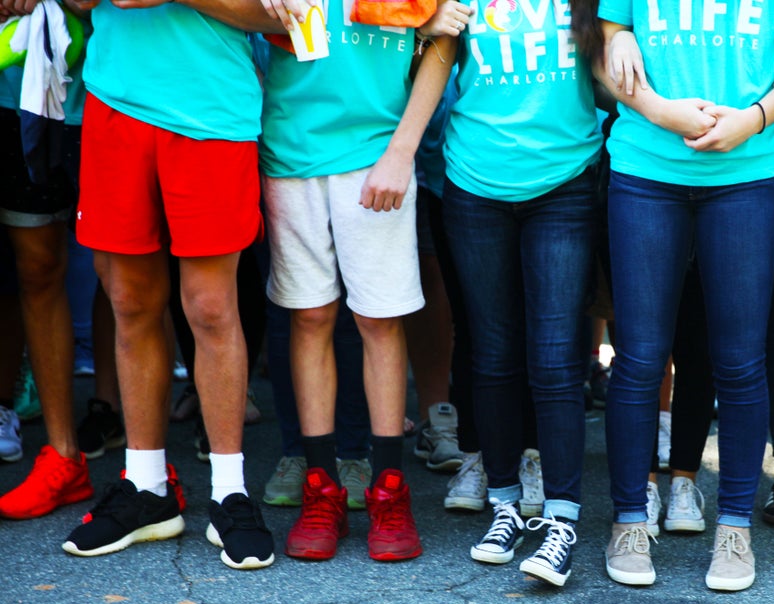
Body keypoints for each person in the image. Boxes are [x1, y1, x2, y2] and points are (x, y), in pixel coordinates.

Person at [596, 0, 774, 592]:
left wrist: (756, 119)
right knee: (638, 359)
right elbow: (612, 33)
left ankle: (734, 528)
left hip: (744, 177)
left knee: (739, 360)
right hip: (644, 172)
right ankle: (630, 519)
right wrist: (653, 100)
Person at [61, 0, 275, 569]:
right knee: (129, 302)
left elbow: (284, 18)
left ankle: (230, 490)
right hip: (116, 103)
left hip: (211, 111)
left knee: (210, 307)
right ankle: (148, 486)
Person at [256, 0, 457, 562]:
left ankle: (389, 490)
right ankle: (321, 489)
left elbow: (445, 45)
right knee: (310, 315)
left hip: (378, 151)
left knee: (378, 319)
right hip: (290, 150)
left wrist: (402, 150)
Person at [439, 0, 601, 587]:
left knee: (557, 361)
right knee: (493, 354)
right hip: (474, 184)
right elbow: (435, 55)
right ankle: (505, 508)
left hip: (565, 184)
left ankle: (560, 522)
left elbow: (610, 59)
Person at [0, 4, 93, 521]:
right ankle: (63, 453)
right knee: (36, 266)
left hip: (111, 91)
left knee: (128, 271)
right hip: (15, 89)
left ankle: (147, 464)